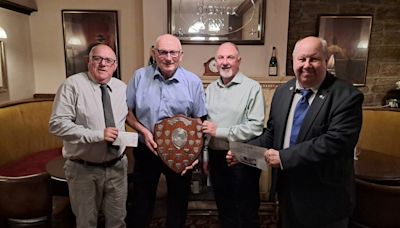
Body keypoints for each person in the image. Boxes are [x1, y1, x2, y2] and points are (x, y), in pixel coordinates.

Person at [228, 36, 364, 228]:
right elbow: (273, 134)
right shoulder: (283, 91)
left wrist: (284, 157)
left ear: (326, 61)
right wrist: (242, 151)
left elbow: (336, 142)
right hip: (287, 193)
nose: (307, 65)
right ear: (293, 62)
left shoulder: (347, 96)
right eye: (302, 59)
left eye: (314, 59)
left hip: (325, 199)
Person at [126, 34, 207, 228]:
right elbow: (127, 112)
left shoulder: (193, 82)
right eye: (163, 52)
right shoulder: (139, 77)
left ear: (181, 55)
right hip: (147, 149)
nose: (168, 58)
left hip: (181, 152)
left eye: (173, 52)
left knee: (178, 206)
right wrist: (144, 132)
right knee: (141, 204)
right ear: (154, 53)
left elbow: (199, 121)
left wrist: (195, 154)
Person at [49, 44, 128, 228]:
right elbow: (57, 124)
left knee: (117, 221)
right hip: (83, 169)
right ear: (89, 61)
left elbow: (130, 116)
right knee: (86, 223)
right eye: (97, 59)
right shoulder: (72, 86)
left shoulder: (121, 88)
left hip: (117, 167)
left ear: (115, 65)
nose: (103, 64)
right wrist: (97, 135)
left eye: (108, 60)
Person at [202, 42, 265, 228]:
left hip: (243, 156)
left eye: (230, 57)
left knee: (247, 211)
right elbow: (206, 127)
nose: (224, 62)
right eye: (220, 58)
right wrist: (205, 155)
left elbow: (256, 127)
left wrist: (218, 132)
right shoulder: (210, 89)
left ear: (239, 60)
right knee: (224, 208)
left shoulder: (252, 87)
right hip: (216, 157)